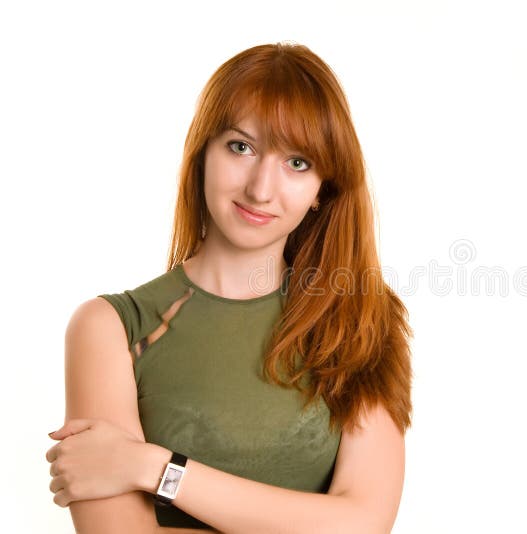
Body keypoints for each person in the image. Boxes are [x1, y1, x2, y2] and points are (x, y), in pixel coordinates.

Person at [45, 42, 413, 533]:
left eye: (297, 163)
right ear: (203, 154)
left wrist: (152, 467)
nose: (261, 188)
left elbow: (364, 524)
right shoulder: (110, 328)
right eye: (241, 147)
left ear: (322, 188)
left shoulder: (362, 319)